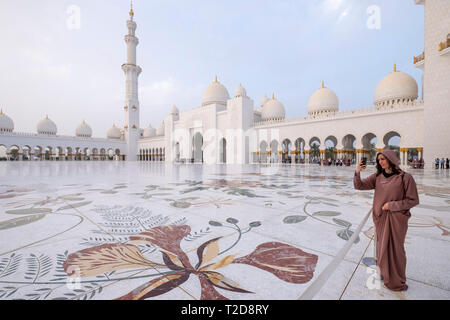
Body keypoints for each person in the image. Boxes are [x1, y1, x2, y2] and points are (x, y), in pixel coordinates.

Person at [354, 149, 419, 292]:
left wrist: (392, 205)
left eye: (383, 159)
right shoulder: (377, 177)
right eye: (379, 159)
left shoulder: (405, 177)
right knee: (382, 248)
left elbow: (413, 200)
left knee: (396, 249)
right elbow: (359, 186)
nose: (380, 162)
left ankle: (397, 280)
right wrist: (358, 171)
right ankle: (385, 273)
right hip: (380, 219)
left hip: (396, 220)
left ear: (391, 159)